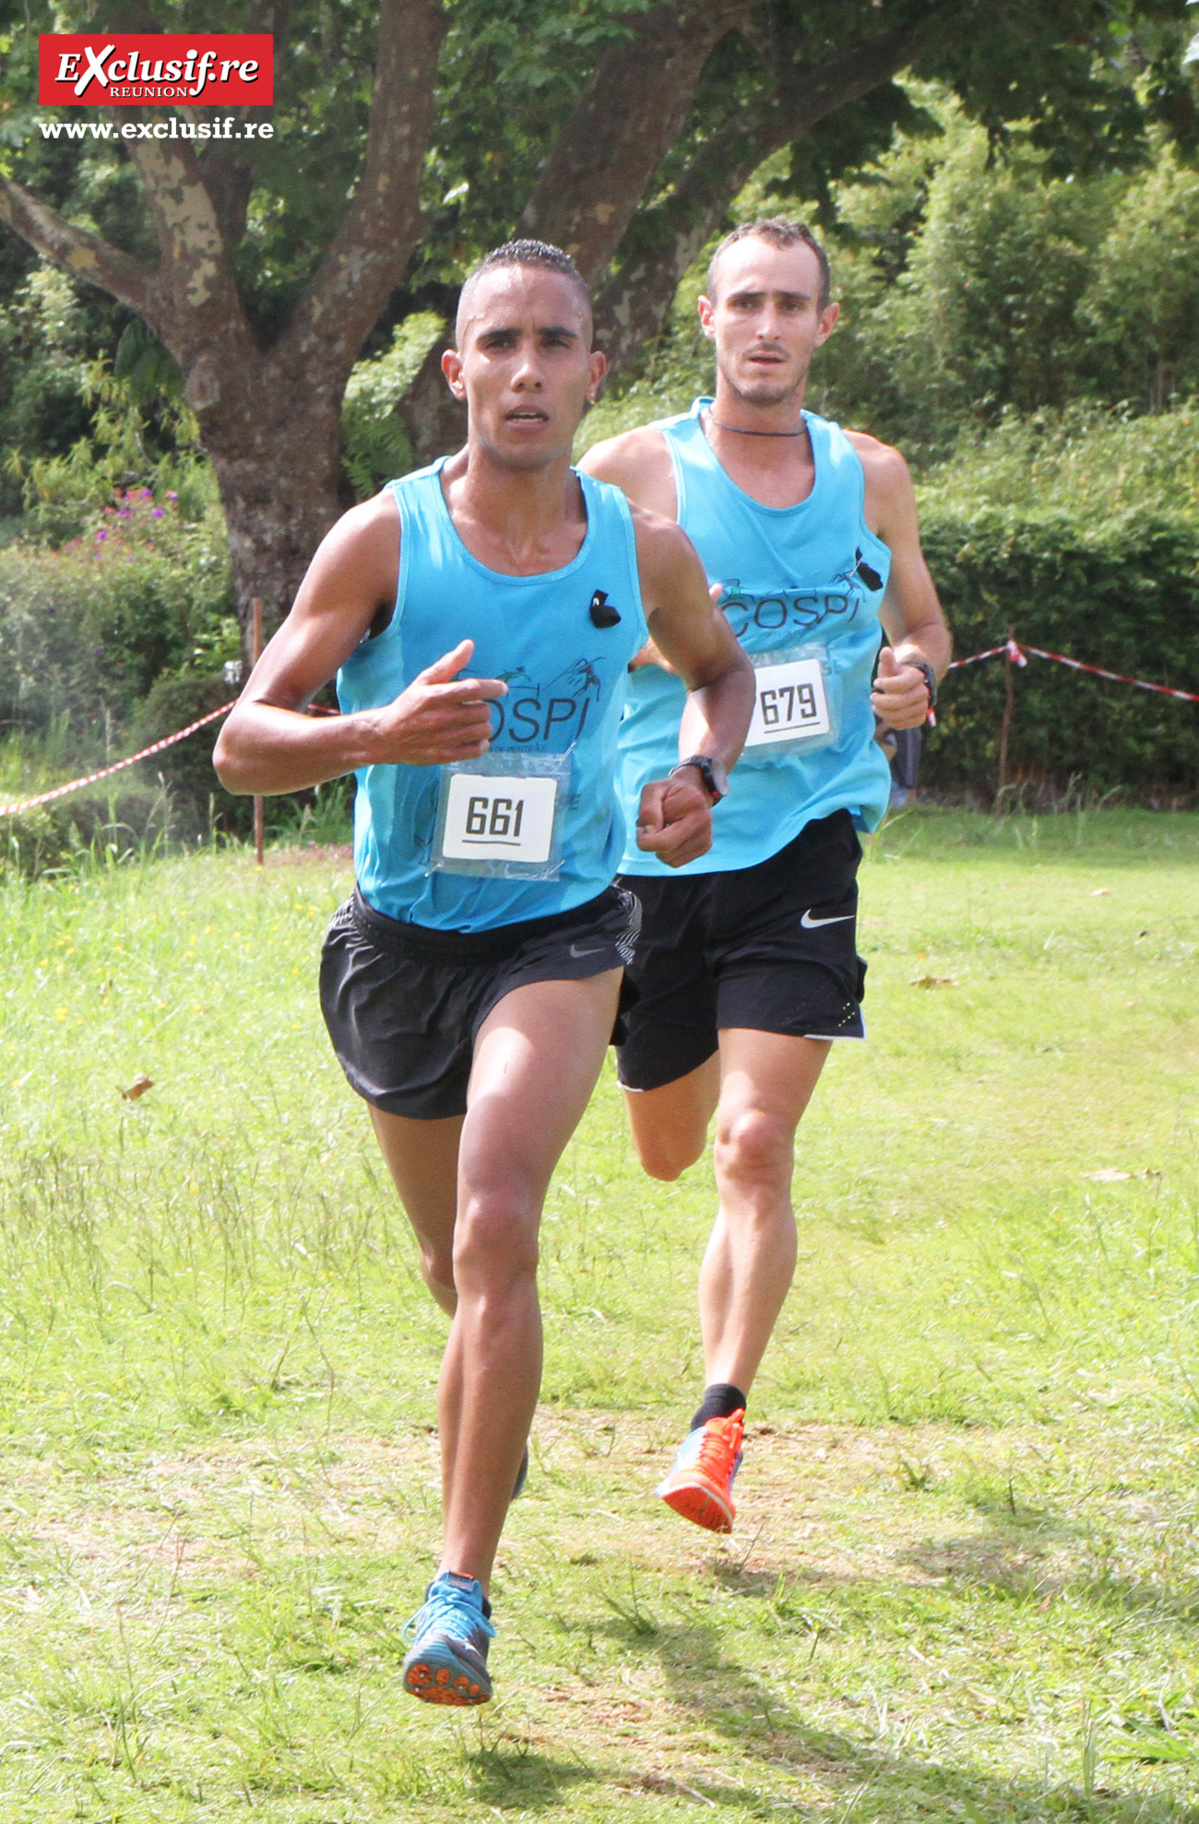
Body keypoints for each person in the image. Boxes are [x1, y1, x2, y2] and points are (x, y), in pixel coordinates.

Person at [213, 239, 752, 1706]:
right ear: (457, 371)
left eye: (554, 342)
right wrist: (372, 735)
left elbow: (720, 673)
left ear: (593, 371)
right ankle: (488, 1423)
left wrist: (700, 775)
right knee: (452, 1268)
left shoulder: (640, 548)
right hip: (399, 947)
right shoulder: (381, 541)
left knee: (498, 1222)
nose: (525, 370)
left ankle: (458, 1595)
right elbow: (244, 743)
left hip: (560, 934)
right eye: (498, 343)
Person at [580, 218, 950, 1534]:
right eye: (746, 303)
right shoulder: (633, 470)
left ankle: (717, 1424)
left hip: (806, 840)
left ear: (825, 325)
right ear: (709, 319)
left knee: (753, 1142)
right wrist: (650, 652)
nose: (768, 327)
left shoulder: (872, 476)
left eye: (793, 305)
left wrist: (913, 677)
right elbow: (553, 611)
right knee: (671, 1149)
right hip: (661, 850)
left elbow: (923, 623)